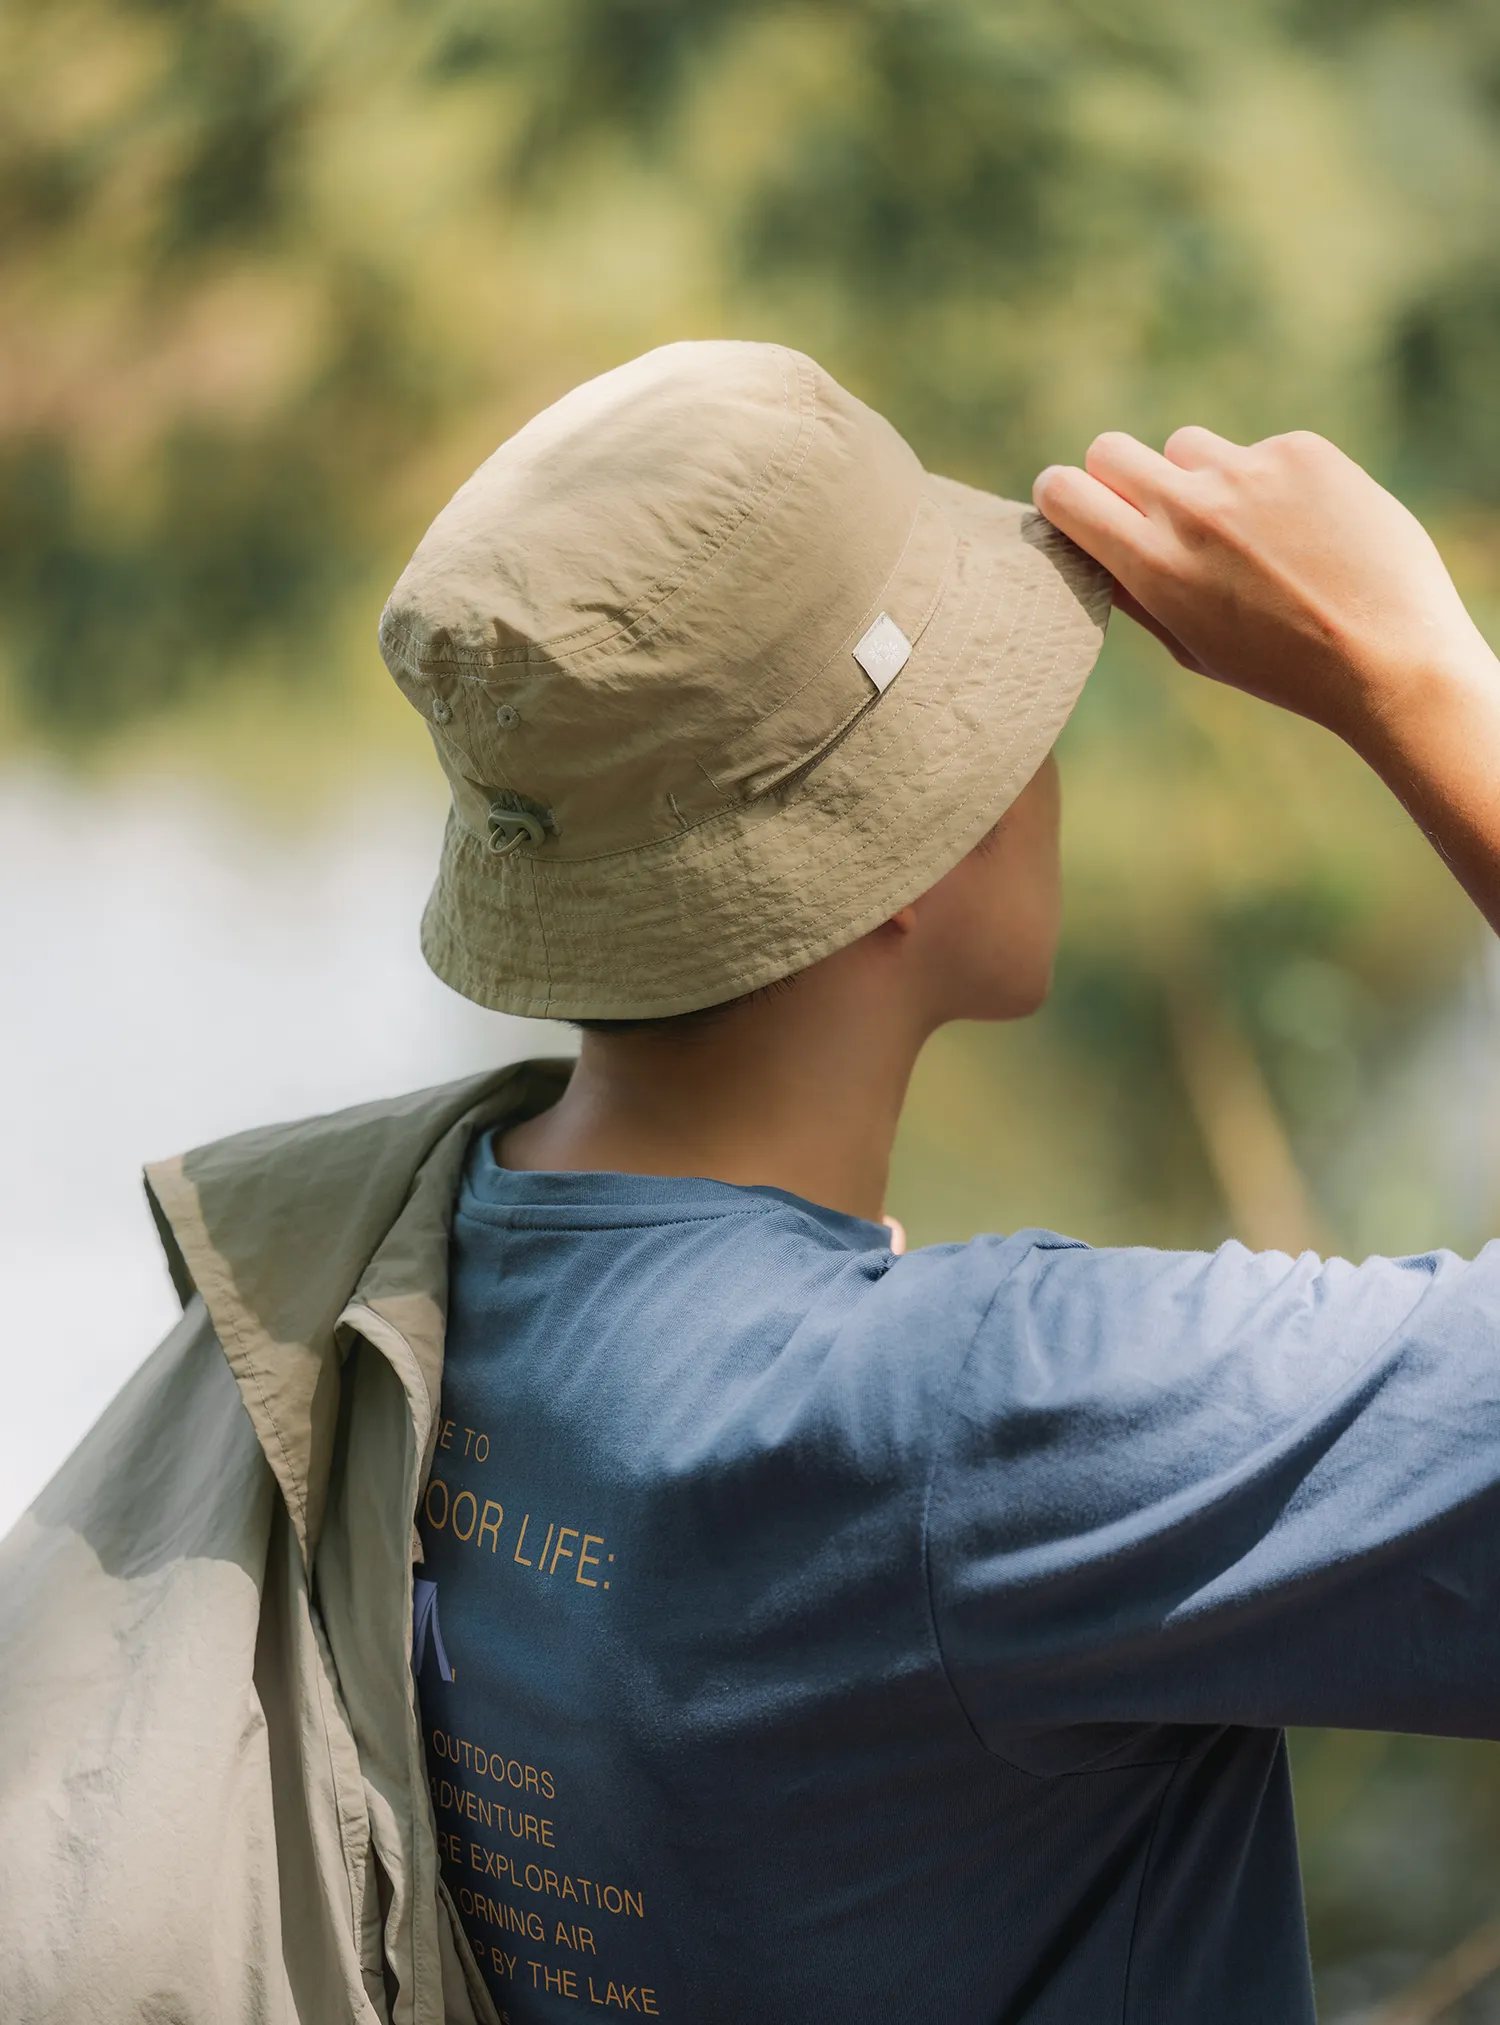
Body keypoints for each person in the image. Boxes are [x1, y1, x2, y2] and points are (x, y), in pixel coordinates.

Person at [4, 341, 1500, 2025]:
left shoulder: (398, 1276)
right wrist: (1424, 679)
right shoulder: (988, 1429)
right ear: (903, 858)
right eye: (1007, 705)